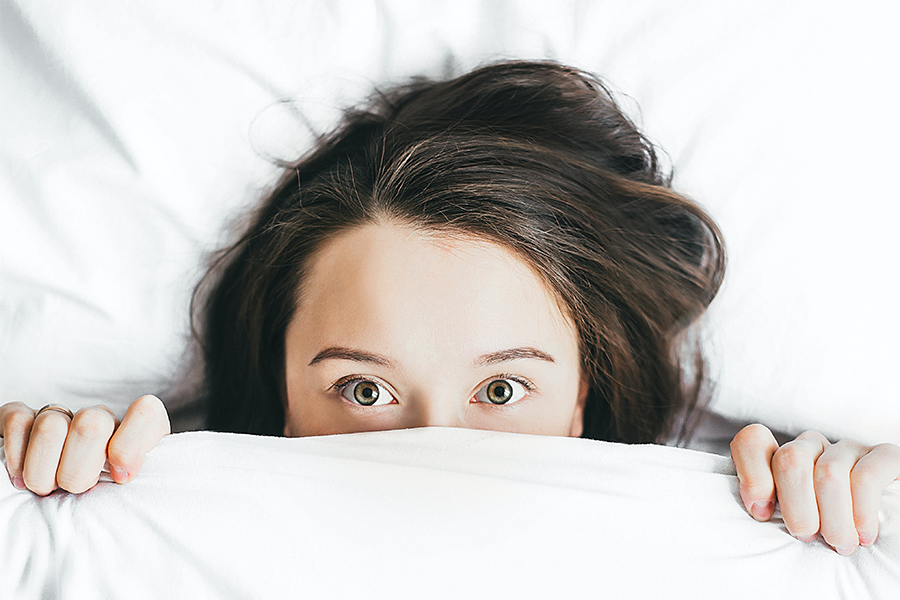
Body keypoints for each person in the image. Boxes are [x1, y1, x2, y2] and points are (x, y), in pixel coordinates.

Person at [1, 61, 897, 557]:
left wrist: (867, 505)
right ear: (277, 389)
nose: (435, 447)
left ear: (587, 393)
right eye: (362, 390)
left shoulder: (738, 526)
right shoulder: (144, 526)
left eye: (502, 391)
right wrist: (40, 480)